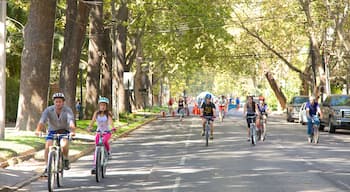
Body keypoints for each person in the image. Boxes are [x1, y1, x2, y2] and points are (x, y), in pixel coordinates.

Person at [35, 92, 76, 176]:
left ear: (63, 102)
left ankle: (65, 159)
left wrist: (72, 132)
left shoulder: (67, 110)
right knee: (48, 146)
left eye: (60, 101)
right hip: (52, 131)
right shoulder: (48, 110)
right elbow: (42, 121)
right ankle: (47, 166)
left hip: (64, 130)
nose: (58, 103)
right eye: (56, 101)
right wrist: (38, 130)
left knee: (64, 144)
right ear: (53, 102)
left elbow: (71, 122)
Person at [87, 97, 116, 174]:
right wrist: (89, 127)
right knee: (97, 147)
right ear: (99, 106)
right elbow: (92, 121)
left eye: (104, 105)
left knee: (104, 140)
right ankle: (94, 166)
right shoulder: (96, 113)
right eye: (101, 105)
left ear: (106, 106)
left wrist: (112, 128)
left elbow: (110, 122)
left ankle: (108, 152)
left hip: (107, 132)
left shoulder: (108, 114)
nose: (102, 107)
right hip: (99, 132)